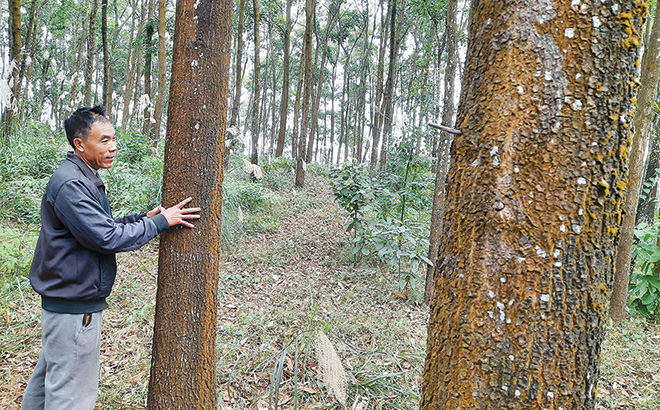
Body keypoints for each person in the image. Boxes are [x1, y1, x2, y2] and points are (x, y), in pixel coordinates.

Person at [21, 105, 200, 410]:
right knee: (70, 397)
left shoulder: (80, 176)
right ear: (80, 144)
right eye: (103, 140)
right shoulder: (73, 184)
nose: (113, 146)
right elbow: (105, 238)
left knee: (48, 384)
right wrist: (159, 223)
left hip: (66, 305)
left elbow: (98, 227)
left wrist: (143, 218)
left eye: (113, 138)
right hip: (74, 310)